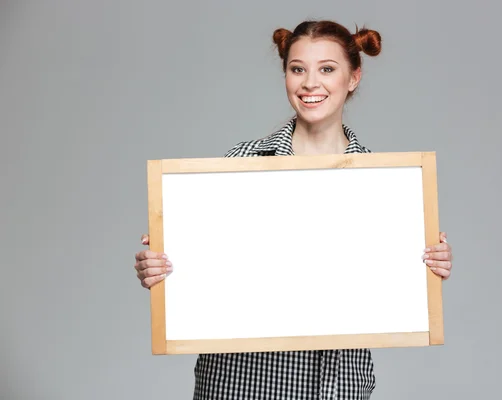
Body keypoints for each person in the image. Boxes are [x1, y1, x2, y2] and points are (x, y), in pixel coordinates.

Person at [134, 19, 454, 400]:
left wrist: (429, 266)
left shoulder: (386, 185)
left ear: (353, 78)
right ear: (285, 75)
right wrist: (163, 266)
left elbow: (390, 281)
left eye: (327, 69)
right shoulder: (241, 163)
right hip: (239, 385)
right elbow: (203, 267)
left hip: (334, 385)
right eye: (297, 69)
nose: (310, 83)